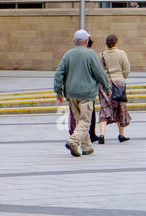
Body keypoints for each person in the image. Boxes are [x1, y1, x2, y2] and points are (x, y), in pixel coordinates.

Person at [54, 29, 111, 157]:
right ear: (86, 41)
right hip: (86, 94)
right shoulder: (90, 54)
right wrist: (107, 88)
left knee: (80, 120)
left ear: (75, 41)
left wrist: (59, 92)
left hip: (71, 94)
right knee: (85, 121)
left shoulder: (68, 54)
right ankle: (73, 141)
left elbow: (58, 73)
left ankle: (87, 147)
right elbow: (100, 73)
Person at [97, 34, 132, 144]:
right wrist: (122, 77)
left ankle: (102, 134)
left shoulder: (101, 55)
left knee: (104, 107)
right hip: (119, 83)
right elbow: (126, 69)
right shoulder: (122, 54)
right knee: (120, 108)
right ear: (116, 42)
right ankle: (121, 134)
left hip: (105, 84)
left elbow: (99, 70)